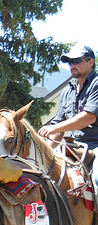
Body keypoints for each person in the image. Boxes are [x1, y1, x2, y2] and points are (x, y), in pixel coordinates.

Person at [38, 44, 98, 185]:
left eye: (77, 61)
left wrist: (55, 128)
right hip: (74, 146)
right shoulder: (67, 91)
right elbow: (58, 128)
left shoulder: (96, 84)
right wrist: (45, 153)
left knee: (97, 178)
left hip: (96, 145)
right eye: (70, 62)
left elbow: (89, 117)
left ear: (91, 62)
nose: (72, 65)